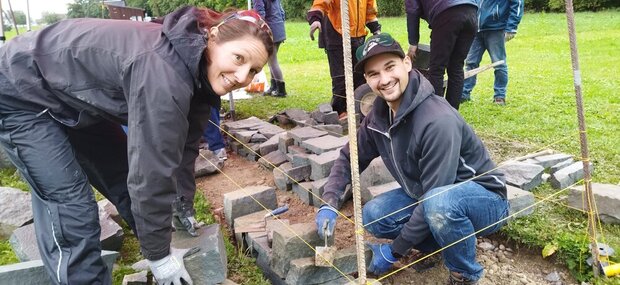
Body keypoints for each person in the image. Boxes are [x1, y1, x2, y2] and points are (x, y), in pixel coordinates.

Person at [0, 6, 273, 284]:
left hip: (72, 96)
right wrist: (161, 260)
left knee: (121, 174)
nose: (241, 77)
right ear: (213, 36)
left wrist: (182, 206)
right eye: (238, 58)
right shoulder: (163, 73)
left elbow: (183, 152)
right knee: (72, 208)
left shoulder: (197, 71)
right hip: (22, 91)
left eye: (253, 70)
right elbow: (151, 171)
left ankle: (154, 244)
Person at [315, 33, 508, 284]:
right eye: (374, 74)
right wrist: (329, 201)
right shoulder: (379, 115)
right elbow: (349, 157)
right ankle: (442, 244)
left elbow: (435, 196)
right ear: (366, 80)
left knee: (440, 204)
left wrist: (395, 251)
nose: (384, 80)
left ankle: (464, 273)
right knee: (375, 214)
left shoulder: (437, 120)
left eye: (389, 67)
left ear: (407, 63)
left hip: (485, 199)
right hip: (428, 194)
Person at [307, 0, 381, 117]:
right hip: (336, 33)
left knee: (359, 74)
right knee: (340, 77)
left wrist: (375, 28)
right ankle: (340, 112)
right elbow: (321, 2)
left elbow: (369, 9)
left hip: (358, 35)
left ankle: (360, 110)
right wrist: (315, 19)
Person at [405, 0, 477, 110]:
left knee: (437, 69)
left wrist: (413, 42)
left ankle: (437, 112)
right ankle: (453, 113)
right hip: (471, 12)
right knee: (456, 67)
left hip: (447, 13)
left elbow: (412, 10)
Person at [461, 0, 524, 106]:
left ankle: (499, 96)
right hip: (476, 28)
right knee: (470, 63)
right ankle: (464, 94)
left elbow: (517, 3)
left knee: (499, 64)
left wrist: (512, 28)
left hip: (496, 28)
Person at [255, 0, 288, 97]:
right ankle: (274, 87)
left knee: (272, 61)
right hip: (279, 28)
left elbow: (260, 14)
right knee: (271, 61)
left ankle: (281, 90)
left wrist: (259, 28)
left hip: (270, 30)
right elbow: (282, 13)